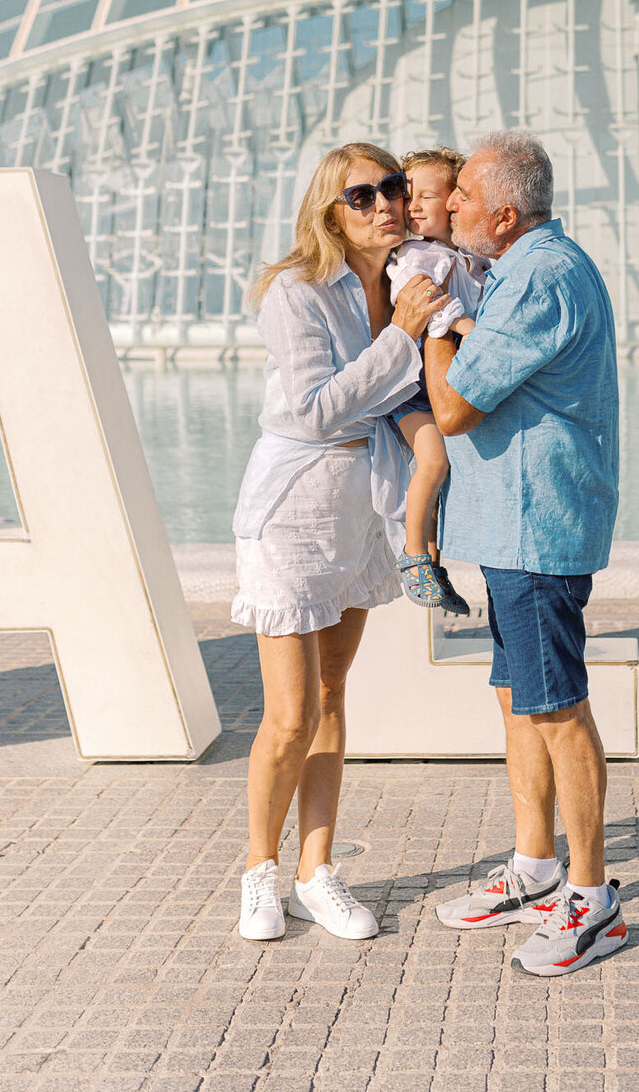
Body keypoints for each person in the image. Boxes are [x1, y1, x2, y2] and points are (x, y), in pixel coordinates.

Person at [230, 142, 450, 943]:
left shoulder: (403, 277)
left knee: (330, 699)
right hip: (296, 507)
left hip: (363, 505)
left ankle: (317, 871)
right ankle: (260, 872)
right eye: (364, 195)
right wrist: (400, 337)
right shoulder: (293, 291)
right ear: (332, 210)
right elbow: (318, 412)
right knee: (288, 714)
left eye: (394, 189)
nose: (387, 204)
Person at [422, 130, 627, 976]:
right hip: (512, 525)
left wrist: (431, 327)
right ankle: (537, 868)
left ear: (505, 215)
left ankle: (593, 899)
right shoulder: (528, 268)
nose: (448, 206)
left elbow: (457, 408)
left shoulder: (540, 273)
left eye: (463, 195)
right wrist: (467, 318)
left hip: (535, 526)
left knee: (556, 707)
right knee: (518, 697)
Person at [386, 147, 487, 615]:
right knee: (433, 462)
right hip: (411, 390)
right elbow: (427, 301)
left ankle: (434, 564)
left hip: (438, 386)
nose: (414, 206)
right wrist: (471, 329)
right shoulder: (414, 255)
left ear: (454, 202)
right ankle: (413, 558)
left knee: (444, 476)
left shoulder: (466, 257)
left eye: (428, 195)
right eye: (409, 196)